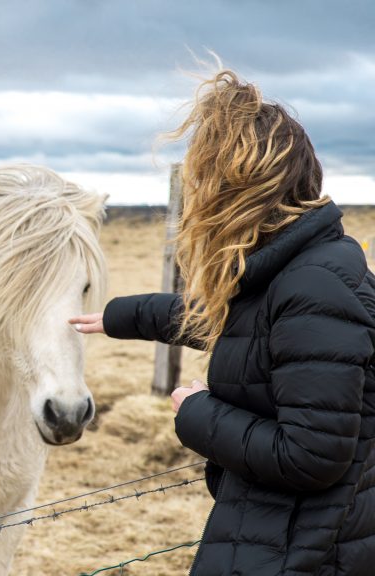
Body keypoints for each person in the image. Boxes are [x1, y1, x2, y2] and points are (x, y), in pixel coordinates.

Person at [69, 70, 375, 575]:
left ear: (238, 189)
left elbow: (310, 455)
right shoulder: (293, 271)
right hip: (279, 536)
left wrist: (196, 411)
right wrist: (117, 316)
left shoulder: (313, 288)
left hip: (302, 553)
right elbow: (234, 326)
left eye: (204, 181)